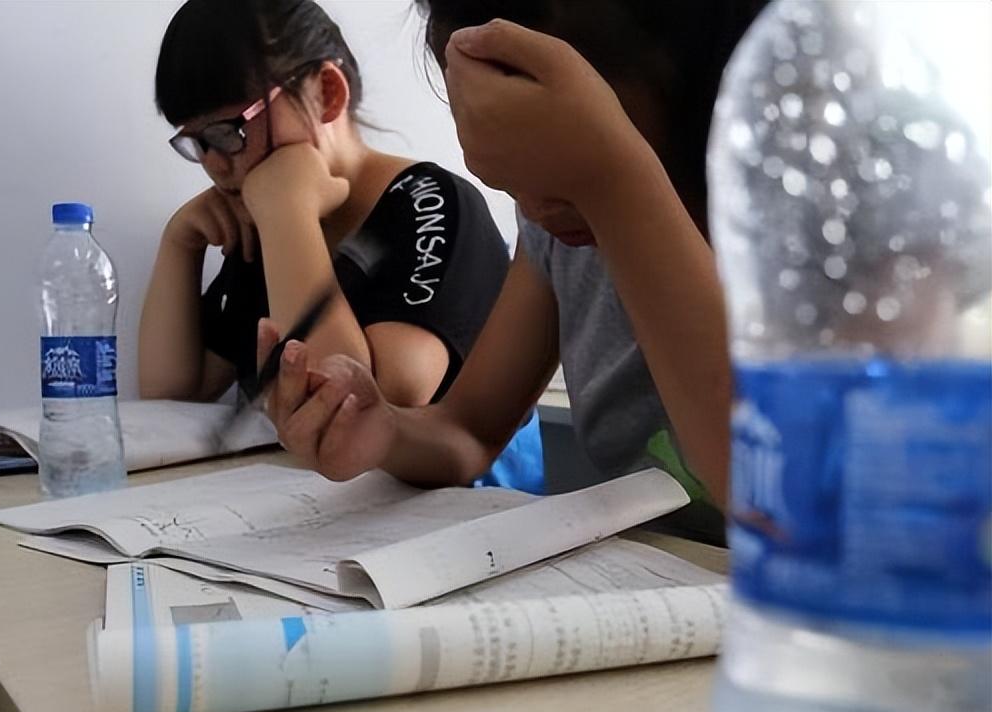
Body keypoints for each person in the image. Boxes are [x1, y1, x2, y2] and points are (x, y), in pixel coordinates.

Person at [258, 0, 769, 542]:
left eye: (561, 160)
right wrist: (385, 431)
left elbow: (782, 493)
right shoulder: (561, 236)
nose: (534, 206)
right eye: (513, 177)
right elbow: (468, 431)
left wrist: (614, 183)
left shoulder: (805, 221)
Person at [139, 0, 544, 493]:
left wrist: (287, 213)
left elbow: (373, 401)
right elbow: (173, 389)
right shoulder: (263, 224)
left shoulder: (431, 202)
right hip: (321, 508)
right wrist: (180, 242)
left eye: (229, 133)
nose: (216, 165)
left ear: (327, 93)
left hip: (461, 511)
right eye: (196, 144)